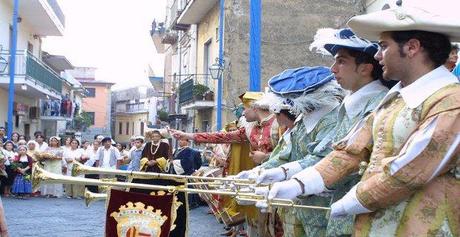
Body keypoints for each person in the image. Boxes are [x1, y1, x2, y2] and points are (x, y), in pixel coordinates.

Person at [261, 7, 460, 237]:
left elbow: (409, 172)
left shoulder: (450, 100)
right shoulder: (394, 98)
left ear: (412, 48)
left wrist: (350, 203)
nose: (377, 56)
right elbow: (351, 150)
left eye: (384, 47)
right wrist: (299, 184)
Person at [253, 28, 391, 236]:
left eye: (341, 61)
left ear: (365, 69)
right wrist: (272, 173)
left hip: (357, 213)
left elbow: (342, 157)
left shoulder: (378, 104)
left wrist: (294, 182)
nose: (333, 69)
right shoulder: (352, 105)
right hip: (332, 211)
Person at [171, 91, 280, 165]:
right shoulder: (250, 128)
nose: (243, 112)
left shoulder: (279, 124)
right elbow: (222, 137)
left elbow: (291, 154)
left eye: (244, 108)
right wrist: (186, 135)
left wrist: (266, 158)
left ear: (254, 107)